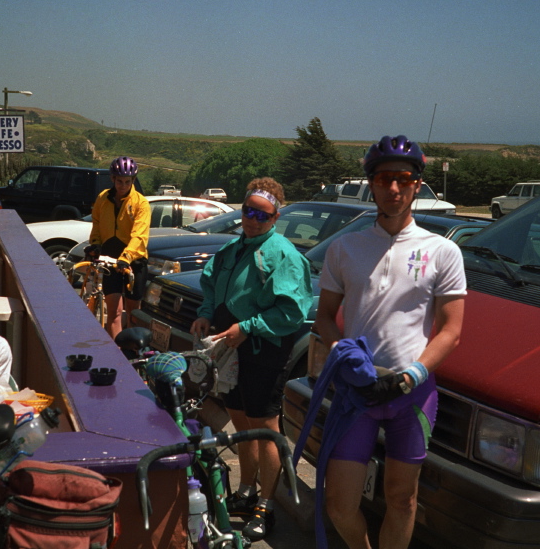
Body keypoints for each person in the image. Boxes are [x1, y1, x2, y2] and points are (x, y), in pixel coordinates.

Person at [315, 135, 466, 549]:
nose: (393, 189)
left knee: (402, 499)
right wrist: (340, 354)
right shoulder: (346, 248)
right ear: (371, 184)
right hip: (356, 390)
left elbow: (451, 331)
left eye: (403, 179)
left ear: (418, 184)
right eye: (384, 179)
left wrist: (412, 375)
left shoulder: (443, 251)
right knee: (338, 505)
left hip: (411, 394)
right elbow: (325, 317)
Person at [190, 177, 313, 541]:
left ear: (275, 218)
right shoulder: (232, 249)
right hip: (230, 350)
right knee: (242, 424)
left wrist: (248, 327)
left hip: (262, 351)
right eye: (248, 211)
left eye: (262, 215)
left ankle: (267, 504)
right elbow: (211, 283)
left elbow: (291, 312)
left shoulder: (285, 255)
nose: (253, 219)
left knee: (266, 428)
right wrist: (206, 312)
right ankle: (246, 490)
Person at [84, 156, 150, 338]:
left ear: (133, 181)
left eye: (127, 182)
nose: (123, 185)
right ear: (112, 179)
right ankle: (118, 355)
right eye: (119, 181)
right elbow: (96, 223)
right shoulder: (103, 198)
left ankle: (133, 354)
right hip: (110, 258)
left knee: (133, 314)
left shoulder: (141, 203)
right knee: (114, 313)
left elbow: (140, 235)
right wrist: (95, 244)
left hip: (134, 261)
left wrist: (126, 257)